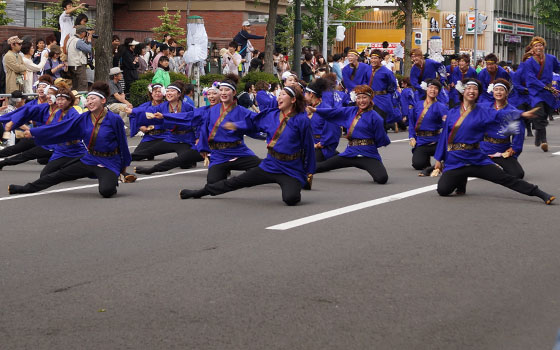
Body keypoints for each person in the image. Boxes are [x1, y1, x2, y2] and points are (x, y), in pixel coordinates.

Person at [179, 85, 315, 206]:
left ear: (293, 100)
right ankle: (198, 192)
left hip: (290, 168)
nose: (279, 97)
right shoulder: (271, 115)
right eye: (279, 95)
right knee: (236, 182)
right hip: (270, 164)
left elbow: (308, 147)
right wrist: (236, 125)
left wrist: (309, 172)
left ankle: (298, 183)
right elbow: (253, 123)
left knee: (291, 199)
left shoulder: (301, 120)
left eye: (283, 95)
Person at [433, 78, 554, 204]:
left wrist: (521, 114)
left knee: (505, 178)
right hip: (456, 160)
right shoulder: (452, 113)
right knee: (443, 190)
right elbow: (443, 138)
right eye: (468, 88)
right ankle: (461, 179)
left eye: (475, 89)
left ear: (479, 94)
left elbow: (501, 115)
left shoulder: (483, 111)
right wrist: (438, 159)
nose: (472, 91)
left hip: (476, 159)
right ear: (462, 91)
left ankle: (539, 193)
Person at [8, 82, 132, 197]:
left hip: (108, 162)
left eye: (93, 99)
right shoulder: (84, 117)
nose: (89, 102)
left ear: (103, 100)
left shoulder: (114, 119)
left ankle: (112, 179)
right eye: (88, 99)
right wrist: (35, 132)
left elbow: (123, 144)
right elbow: (61, 127)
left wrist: (123, 167)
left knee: (106, 191)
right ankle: (24, 188)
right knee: (56, 175)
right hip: (89, 159)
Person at [308, 85, 390, 184]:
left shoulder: (376, 118)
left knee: (382, 178)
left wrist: (368, 145)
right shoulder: (351, 111)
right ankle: (296, 173)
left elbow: (381, 138)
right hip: (350, 153)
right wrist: (316, 110)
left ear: (370, 98)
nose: (361, 101)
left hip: (368, 154)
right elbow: (334, 112)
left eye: (364, 97)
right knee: (321, 166)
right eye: (359, 98)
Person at [133, 81, 196, 175]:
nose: (169, 93)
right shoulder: (163, 106)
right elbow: (148, 110)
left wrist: (198, 138)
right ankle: (119, 158)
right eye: (168, 91)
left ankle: (191, 158)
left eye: (172, 91)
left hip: (184, 140)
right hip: (171, 138)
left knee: (185, 164)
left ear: (179, 94)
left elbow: (197, 122)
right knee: (142, 153)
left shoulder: (188, 107)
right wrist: (133, 111)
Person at [0, 85, 61, 170]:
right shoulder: (44, 107)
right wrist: (11, 121)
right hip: (38, 136)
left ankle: (2, 163)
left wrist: (33, 131)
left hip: (53, 142)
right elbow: (25, 111)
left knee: (29, 156)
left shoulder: (65, 111)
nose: (49, 96)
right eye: (47, 94)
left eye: (52, 94)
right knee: (17, 148)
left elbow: (53, 128)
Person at [480, 79, 526, 179]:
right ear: (493, 92)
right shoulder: (485, 107)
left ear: (507, 93)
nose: (498, 92)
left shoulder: (512, 111)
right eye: (496, 90)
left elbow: (519, 133)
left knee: (518, 174)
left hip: (502, 149)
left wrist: (514, 148)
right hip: (484, 147)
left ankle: (492, 166)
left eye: (501, 90)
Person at [523, 36, 560, 152]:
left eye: (540, 45)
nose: (538, 47)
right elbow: (531, 78)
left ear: (544, 47)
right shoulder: (529, 62)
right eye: (535, 46)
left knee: (544, 115)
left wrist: (550, 88)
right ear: (532, 48)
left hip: (548, 92)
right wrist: (545, 87)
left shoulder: (551, 58)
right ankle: (544, 141)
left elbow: (558, 68)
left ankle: (538, 134)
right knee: (539, 113)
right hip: (535, 91)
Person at [408, 79, 448, 176]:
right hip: (421, 141)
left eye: (436, 88)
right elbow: (412, 122)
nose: (433, 90)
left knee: (449, 158)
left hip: (436, 141)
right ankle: (426, 161)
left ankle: (434, 166)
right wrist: (412, 136)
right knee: (418, 164)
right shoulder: (417, 104)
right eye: (431, 88)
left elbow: (447, 125)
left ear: (438, 91)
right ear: (426, 89)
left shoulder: (441, 106)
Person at [305, 78, 341, 162]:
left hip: (322, 147)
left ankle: (332, 155)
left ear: (311, 94)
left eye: (305, 93)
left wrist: (322, 143)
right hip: (309, 144)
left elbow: (333, 130)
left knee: (308, 164)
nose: (304, 95)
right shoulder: (307, 108)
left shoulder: (326, 109)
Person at [366, 49, 399, 127]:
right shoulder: (367, 70)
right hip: (369, 98)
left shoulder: (386, 72)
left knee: (380, 121)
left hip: (382, 99)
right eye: (372, 58)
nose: (373, 60)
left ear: (380, 59)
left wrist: (385, 92)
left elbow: (392, 85)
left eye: (375, 58)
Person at [66, 25, 92, 91]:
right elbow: (89, 49)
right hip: (78, 65)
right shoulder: (78, 41)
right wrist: (89, 40)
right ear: (82, 33)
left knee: (75, 84)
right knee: (82, 84)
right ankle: (81, 99)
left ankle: (75, 98)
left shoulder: (70, 39)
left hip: (72, 65)